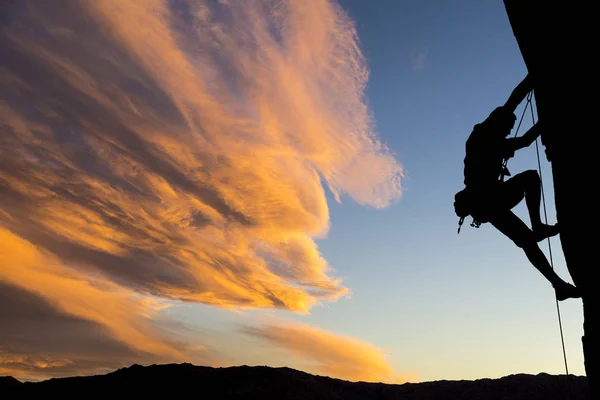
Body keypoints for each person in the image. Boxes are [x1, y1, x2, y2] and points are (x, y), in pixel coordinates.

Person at [460, 74, 580, 301]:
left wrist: (534, 84)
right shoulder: (486, 138)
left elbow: (522, 132)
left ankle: (558, 285)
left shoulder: (488, 137)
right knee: (530, 183)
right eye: (508, 128)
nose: (508, 132)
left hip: (486, 203)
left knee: (526, 239)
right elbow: (515, 107)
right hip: (487, 201)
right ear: (500, 124)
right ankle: (540, 231)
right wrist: (534, 80)